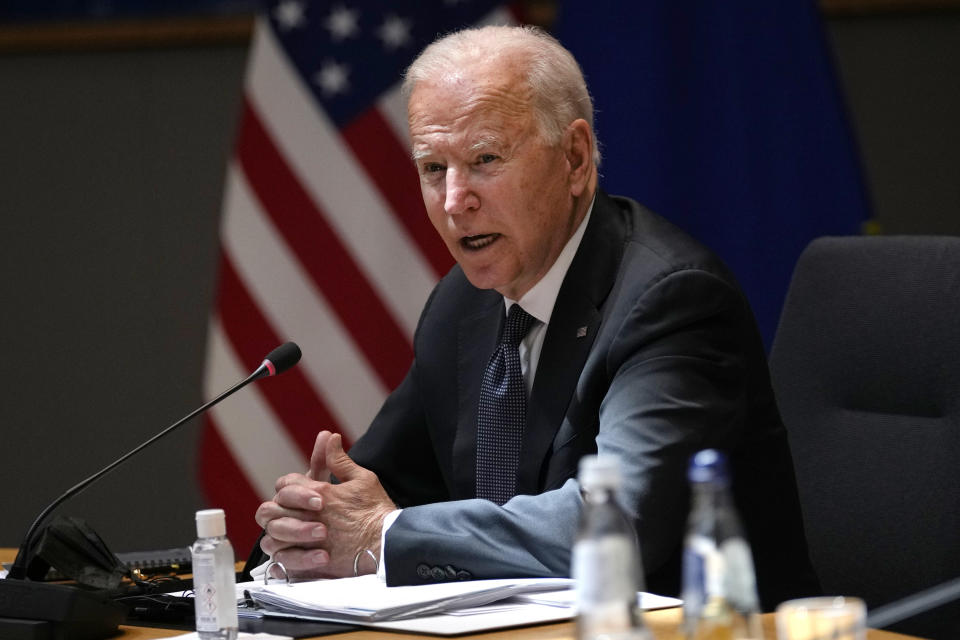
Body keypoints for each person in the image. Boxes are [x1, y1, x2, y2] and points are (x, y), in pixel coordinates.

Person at [254, 24, 819, 608]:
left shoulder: (672, 301)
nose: (454, 201)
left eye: (484, 158)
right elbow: (374, 486)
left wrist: (385, 535)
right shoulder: (464, 303)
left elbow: (616, 522)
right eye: (432, 169)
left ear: (574, 159)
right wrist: (309, 529)